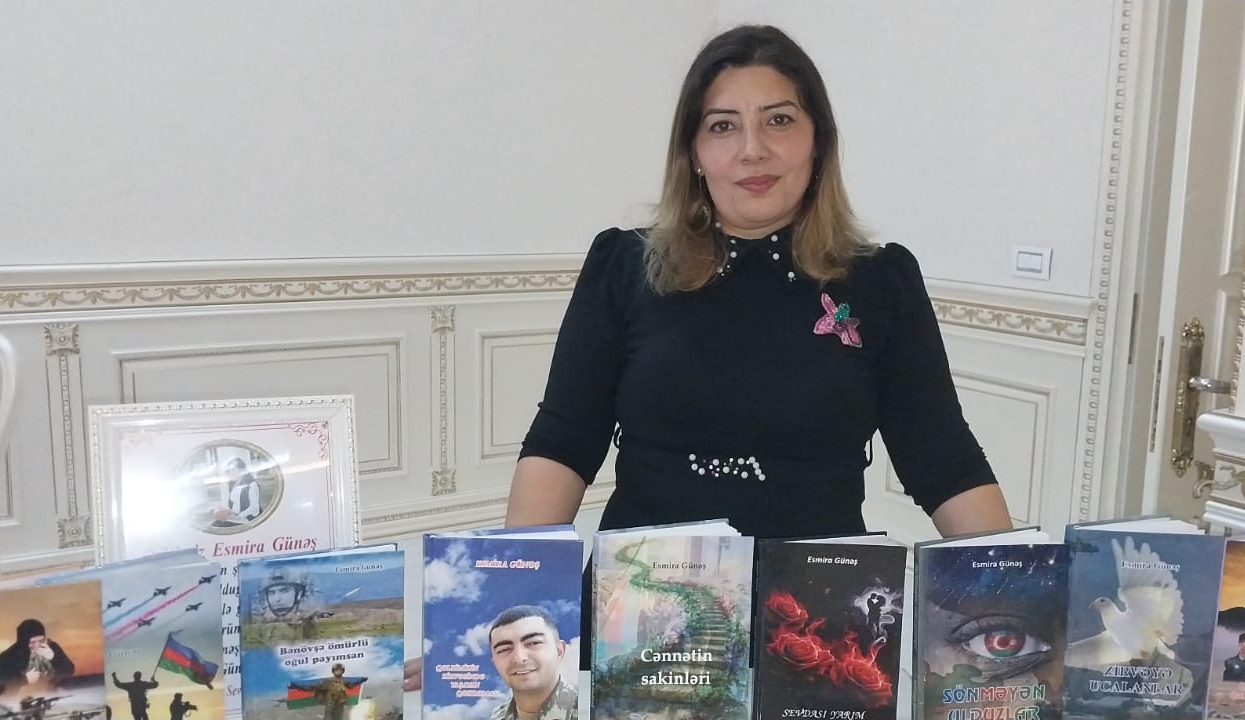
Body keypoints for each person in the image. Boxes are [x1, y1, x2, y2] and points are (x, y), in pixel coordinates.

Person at [405, 23, 1011, 693]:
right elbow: (563, 442)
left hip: (816, 627)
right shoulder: (625, 266)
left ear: (817, 139)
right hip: (640, 621)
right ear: (693, 151)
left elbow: (944, 459)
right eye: (723, 126)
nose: (753, 149)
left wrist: (1015, 611)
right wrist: (506, 619)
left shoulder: (880, 281)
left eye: (779, 120)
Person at [485, 606, 577, 720]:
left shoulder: (590, 711)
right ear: (495, 662)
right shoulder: (497, 716)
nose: (520, 658)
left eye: (533, 643)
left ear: (559, 650)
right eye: (504, 649)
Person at [0, 619, 76, 694]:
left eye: (41, 640)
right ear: (23, 642)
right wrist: (24, 680)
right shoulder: (6, 658)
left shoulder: (51, 647)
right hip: (20, 701)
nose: (37, 645)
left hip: (52, 696)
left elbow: (70, 671)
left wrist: (53, 657)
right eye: (33, 642)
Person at [288, 663, 365, 720]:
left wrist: (360, 681)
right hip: (330, 705)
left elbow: (351, 686)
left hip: (340, 705)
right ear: (333, 671)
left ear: (342, 671)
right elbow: (314, 687)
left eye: (340, 670)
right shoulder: (328, 681)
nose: (338, 672)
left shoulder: (344, 681)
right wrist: (297, 686)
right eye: (336, 670)